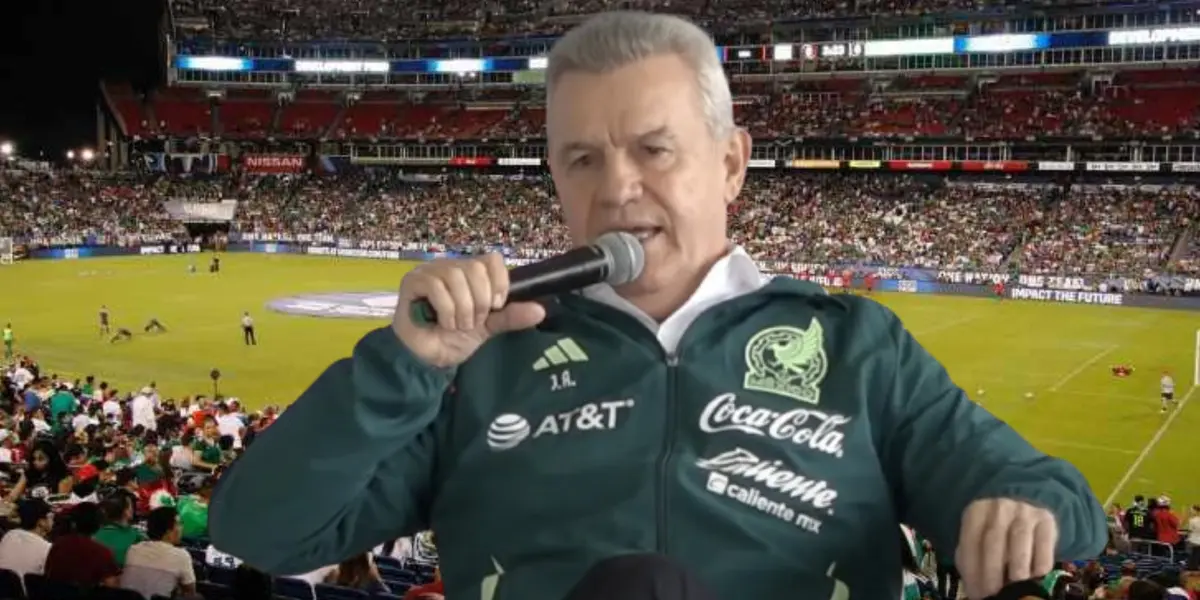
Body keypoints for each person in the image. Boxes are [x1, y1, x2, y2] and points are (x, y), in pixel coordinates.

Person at [210, 11, 1107, 600]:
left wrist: (1026, 511)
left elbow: (1056, 497)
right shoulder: (483, 360)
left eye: (654, 150)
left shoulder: (858, 346)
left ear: (730, 162)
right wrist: (400, 365)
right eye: (582, 159)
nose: (618, 189)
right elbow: (264, 530)